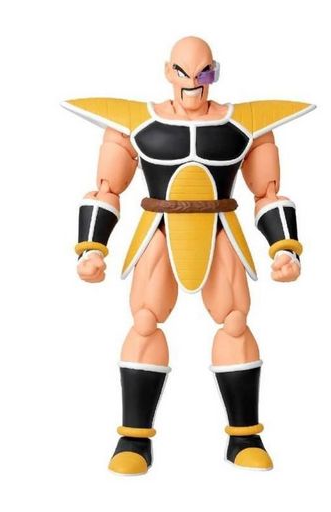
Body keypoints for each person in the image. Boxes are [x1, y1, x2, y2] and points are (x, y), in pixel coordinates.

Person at [62, 36, 315, 475]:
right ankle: (133, 439)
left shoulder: (246, 124)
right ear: (168, 71)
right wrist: (91, 248)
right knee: (144, 320)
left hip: (220, 226)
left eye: (204, 73)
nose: (194, 83)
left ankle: (244, 437)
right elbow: (106, 189)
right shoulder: (134, 123)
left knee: (235, 321)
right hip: (159, 227)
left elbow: (269, 193)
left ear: (214, 73)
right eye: (184, 72)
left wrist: (285, 248)